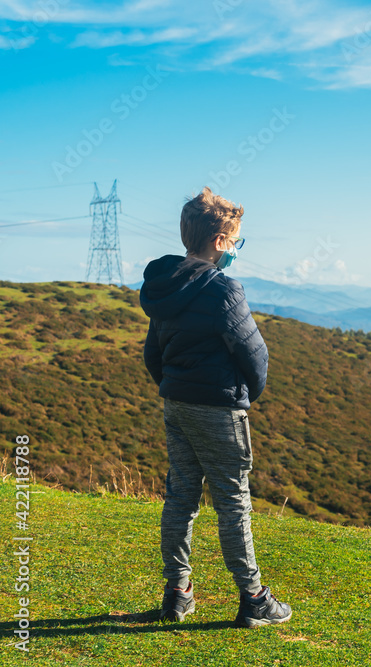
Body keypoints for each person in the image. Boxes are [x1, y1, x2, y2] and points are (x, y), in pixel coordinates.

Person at [139, 186, 292, 628]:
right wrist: (244, 395)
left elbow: (153, 354)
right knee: (233, 503)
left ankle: (177, 593)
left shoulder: (163, 285)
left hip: (177, 404)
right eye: (236, 242)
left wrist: (175, 386)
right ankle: (254, 598)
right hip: (219, 410)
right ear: (221, 241)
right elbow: (254, 356)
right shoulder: (224, 289)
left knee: (181, 497)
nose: (236, 251)